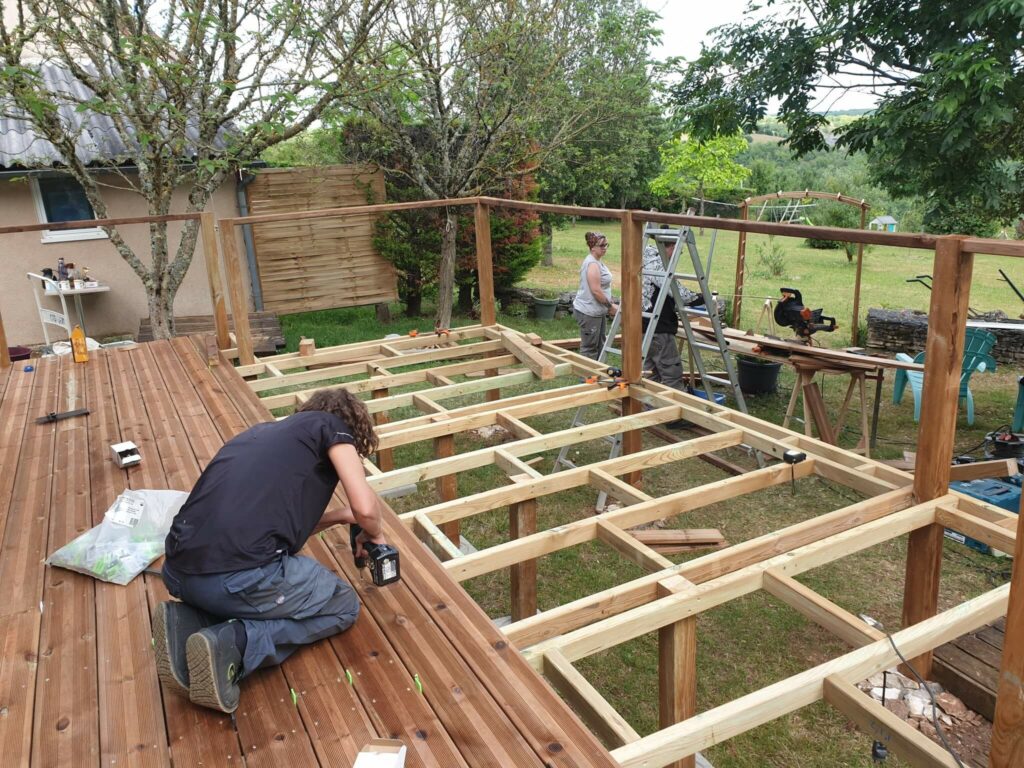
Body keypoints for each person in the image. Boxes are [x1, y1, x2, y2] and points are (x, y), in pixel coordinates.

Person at [154, 388, 386, 714]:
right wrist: (374, 531)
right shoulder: (332, 428)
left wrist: (340, 517)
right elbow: (366, 508)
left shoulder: (260, 434)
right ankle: (236, 643)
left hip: (179, 573)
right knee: (343, 605)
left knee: (266, 574)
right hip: (235, 578)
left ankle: (192, 619)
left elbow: (280, 526)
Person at [641, 243, 685, 390]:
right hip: (659, 329)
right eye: (680, 251)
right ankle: (672, 412)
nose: (679, 255)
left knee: (650, 374)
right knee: (671, 375)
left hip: (644, 327)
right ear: (671, 248)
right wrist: (705, 298)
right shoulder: (660, 267)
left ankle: (651, 410)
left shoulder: (646, 258)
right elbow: (681, 295)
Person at [572, 231, 618, 360]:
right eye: (602, 245)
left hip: (597, 311)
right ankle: (586, 378)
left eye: (606, 244)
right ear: (592, 247)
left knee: (600, 344)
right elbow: (596, 291)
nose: (605, 248)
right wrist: (610, 306)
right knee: (589, 348)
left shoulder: (597, 261)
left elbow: (602, 288)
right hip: (589, 312)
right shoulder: (592, 264)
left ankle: (597, 375)